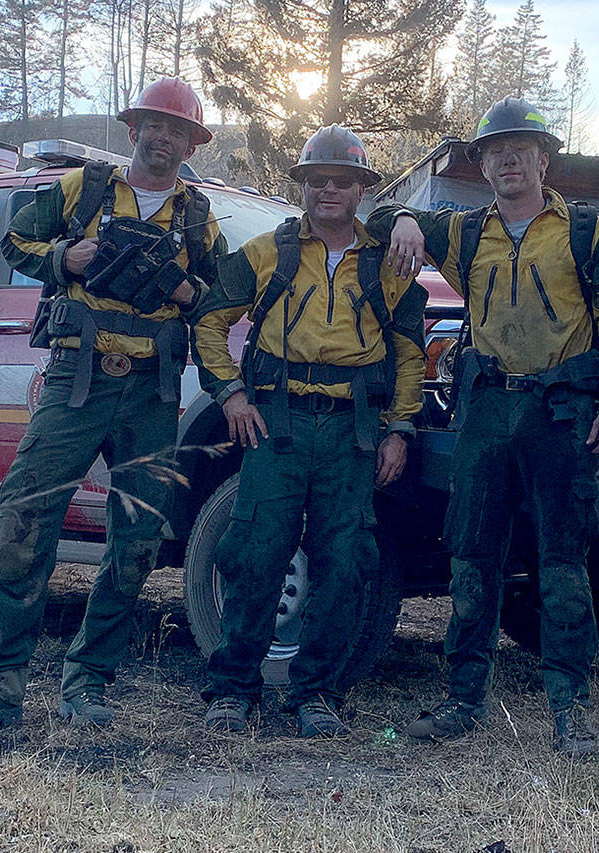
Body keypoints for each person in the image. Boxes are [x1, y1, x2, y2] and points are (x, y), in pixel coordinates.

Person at [0, 78, 225, 732]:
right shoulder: (81, 190)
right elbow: (15, 243)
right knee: (25, 518)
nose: (162, 137)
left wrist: (185, 291)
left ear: (190, 142)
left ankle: (88, 682)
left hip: (152, 390)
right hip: (76, 379)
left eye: (175, 129)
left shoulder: (200, 219)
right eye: (152, 125)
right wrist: (69, 255)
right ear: (133, 131)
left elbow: (220, 302)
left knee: (139, 541)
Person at [369, 97, 599, 755]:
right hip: (487, 407)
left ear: (544, 159)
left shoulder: (584, 232)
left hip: (560, 412)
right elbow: (376, 217)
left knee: (562, 558)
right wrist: (405, 215)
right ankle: (464, 698)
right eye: (496, 151)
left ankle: (570, 710)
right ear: (482, 164)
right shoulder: (462, 232)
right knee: (471, 552)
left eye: (522, 149)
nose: (509, 160)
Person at [190, 125, 426, 737]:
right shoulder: (269, 252)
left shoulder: (387, 262)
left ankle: (315, 693)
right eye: (317, 181)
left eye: (342, 182)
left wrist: (399, 429)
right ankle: (234, 690)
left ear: (360, 189)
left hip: (352, 431)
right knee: (255, 553)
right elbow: (210, 323)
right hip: (278, 425)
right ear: (303, 187)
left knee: (344, 561)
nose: (329, 191)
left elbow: (407, 350)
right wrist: (232, 393)